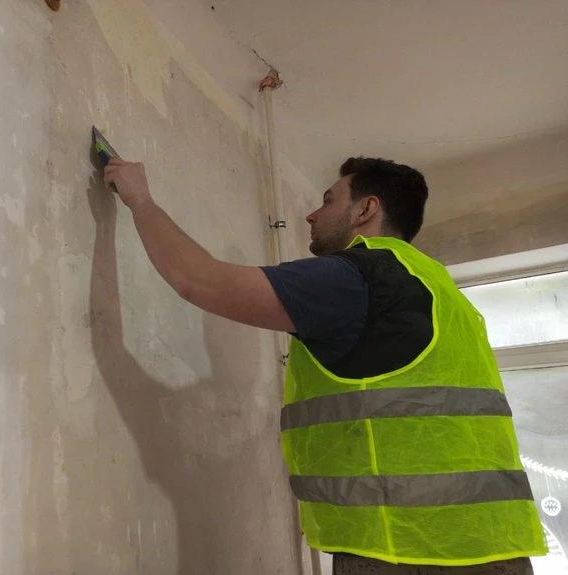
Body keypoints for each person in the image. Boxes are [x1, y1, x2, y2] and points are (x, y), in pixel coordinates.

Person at [101, 155, 547, 574]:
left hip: (404, 551)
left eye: (329, 200)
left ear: (366, 209)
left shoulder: (359, 278)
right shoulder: (434, 286)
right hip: (491, 545)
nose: (311, 215)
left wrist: (141, 199)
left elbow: (199, 280)